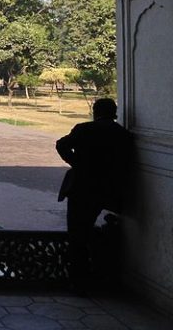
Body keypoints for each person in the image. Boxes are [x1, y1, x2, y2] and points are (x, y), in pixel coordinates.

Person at [55, 97, 134, 285]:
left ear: (95, 112)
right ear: (114, 113)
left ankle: (78, 280)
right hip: (105, 189)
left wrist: (78, 164)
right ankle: (96, 275)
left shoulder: (84, 129)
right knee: (89, 229)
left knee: (76, 234)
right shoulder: (122, 135)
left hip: (81, 188)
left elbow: (61, 145)